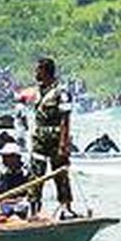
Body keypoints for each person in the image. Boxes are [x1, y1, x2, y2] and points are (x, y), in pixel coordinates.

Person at [30, 57, 79, 218]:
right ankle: (34, 209)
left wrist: (64, 144)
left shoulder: (61, 92)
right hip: (39, 139)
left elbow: (66, 119)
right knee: (36, 174)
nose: (35, 73)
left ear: (46, 71)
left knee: (60, 174)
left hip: (56, 138)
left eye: (38, 70)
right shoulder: (38, 91)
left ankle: (66, 207)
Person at [0, 143, 31, 218]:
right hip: (4, 205)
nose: (3, 159)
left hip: (20, 206)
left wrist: (11, 201)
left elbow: (29, 196)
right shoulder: (2, 172)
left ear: (15, 157)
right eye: (3, 156)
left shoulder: (26, 173)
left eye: (6, 156)